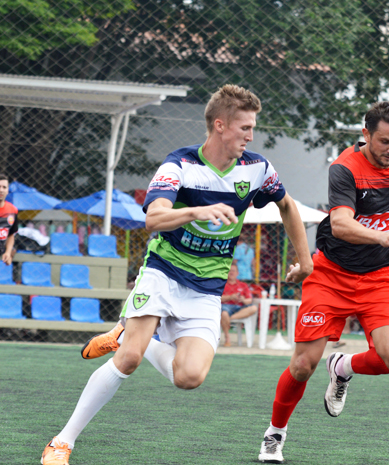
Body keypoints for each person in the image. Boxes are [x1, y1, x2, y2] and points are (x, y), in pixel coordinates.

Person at [41, 84, 313, 465]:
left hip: (206, 289)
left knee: (189, 377)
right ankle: (62, 442)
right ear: (220, 125)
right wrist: (195, 211)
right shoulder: (178, 165)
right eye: (244, 128)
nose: (250, 136)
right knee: (130, 360)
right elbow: (153, 219)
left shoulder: (257, 169)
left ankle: (124, 334)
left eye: (253, 128)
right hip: (163, 272)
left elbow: (287, 205)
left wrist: (306, 260)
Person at [257, 101, 389, 463]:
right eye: (385, 141)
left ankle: (342, 367)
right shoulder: (345, 168)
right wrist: (382, 235)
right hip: (331, 274)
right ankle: (275, 435)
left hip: (380, 278)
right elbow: (341, 223)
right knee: (301, 366)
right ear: (366, 135)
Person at [220, 261, 257, 347]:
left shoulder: (243, 285)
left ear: (237, 273)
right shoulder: (222, 284)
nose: (231, 272)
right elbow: (218, 298)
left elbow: (249, 300)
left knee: (253, 308)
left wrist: (243, 300)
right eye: (230, 270)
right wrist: (230, 297)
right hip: (226, 307)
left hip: (240, 307)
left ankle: (228, 319)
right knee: (224, 313)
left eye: (233, 271)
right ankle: (227, 338)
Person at [0, 174, 18, 265]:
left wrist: (7, 252)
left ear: (7, 190)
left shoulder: (13, 211)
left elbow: (11, 234)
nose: (1, 190)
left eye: (4, 187)